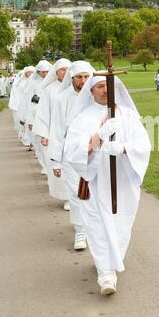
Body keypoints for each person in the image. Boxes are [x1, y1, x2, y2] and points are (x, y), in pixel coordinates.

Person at [64, 74, 151, 295]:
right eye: (100, 86)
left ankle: (111, 261)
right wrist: (97, 139)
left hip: (122, 182)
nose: (104, 90)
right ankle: (106, 274)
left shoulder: (128, 115)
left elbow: (143, 144)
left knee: (120, 225)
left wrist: (124, 149)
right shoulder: (83, 118)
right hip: (95, 182)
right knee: (98, 225)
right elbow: (72, 152)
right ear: (91, 91)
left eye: (108, 86)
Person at [48, 61, 95, 250]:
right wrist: (55, 162)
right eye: (79, 77)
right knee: (77, 194)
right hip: (70, 154)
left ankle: (95, 229)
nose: (83, 81)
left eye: (86, 77)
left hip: (95, 153)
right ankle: (80, 231)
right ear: (72, 78)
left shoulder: (97, 95)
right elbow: (57, 130)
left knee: (96, 194)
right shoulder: (63, 99)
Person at [32, 58, 71, 209]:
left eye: (68, 69)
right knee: (58, 166)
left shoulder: (75, 88)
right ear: (56, 72)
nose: (65, 72)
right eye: (62, 70)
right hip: (54, 134)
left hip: (73, 135)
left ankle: (78, 196)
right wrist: (44, 135)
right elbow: (42, 114)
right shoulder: (49, 90)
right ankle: (66, 197)